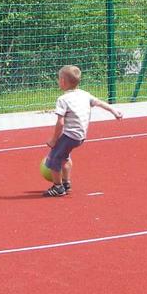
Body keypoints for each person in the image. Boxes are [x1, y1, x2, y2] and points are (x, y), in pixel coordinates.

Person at [42, 65, 123, 197]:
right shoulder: (84, 94)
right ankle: (66, 183)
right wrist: (114, 110)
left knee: (54, 158)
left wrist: (53, 139)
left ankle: (58, 187)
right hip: (80, 137)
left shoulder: (62, 100)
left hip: (69, 136)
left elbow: (60, 123)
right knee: (65, 156)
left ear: (62, 81)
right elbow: (99, 103)